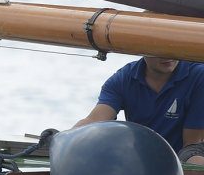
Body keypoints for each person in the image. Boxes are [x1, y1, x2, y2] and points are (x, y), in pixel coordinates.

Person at [75, 57, 204, 160]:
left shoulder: (199, 75)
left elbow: (192, 143)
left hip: (187, 153)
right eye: (158, 49)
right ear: (141, 46)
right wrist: (63, 140)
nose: (167, 55)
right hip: (141, 158)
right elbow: (93, 120)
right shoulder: (123, 78)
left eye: (173, 46)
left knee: (195, 160)